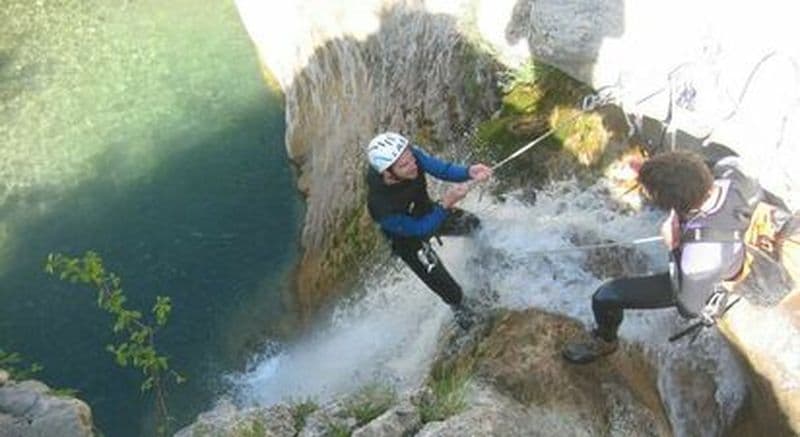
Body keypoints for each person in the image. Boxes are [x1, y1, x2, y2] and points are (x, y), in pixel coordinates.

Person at [562, 148, 789, 364]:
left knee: (605, 297)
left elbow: (689, 307)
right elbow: (694, 172)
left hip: (730, 272)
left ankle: (605, 341)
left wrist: (673, 246)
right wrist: (648, 169)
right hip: (744, 239)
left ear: (676, 205)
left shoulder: (699, 257)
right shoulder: (733, 170)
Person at [365, 132, 493, 329]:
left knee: (473, 225)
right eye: (404, 165)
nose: (413, 165)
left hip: (428, 210)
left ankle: (485, 263)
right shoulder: (380, 206)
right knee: (451, 292)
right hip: (408, 240)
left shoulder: (409, 156)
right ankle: (466, 323)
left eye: (411, 159)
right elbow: (419, 230)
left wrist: (469, 172)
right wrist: (446, 204)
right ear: (388, 173)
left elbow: (442, 169)